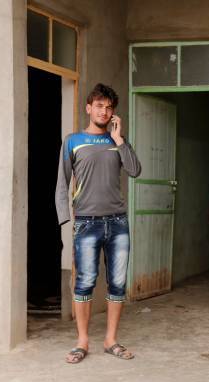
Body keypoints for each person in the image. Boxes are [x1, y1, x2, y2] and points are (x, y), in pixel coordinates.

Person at [55, 83, 142, 364]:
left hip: (117, 223)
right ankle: (82, 342)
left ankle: (110, 340)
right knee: (85, 282)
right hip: (87, 223)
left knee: (117, 283)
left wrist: (119, 139)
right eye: (100, 106)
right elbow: (62, 183)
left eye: (109, 107)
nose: (104, 111)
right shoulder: (73, 140)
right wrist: (63, 218)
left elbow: (135, 170)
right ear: (89, 108)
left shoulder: (118, 141)